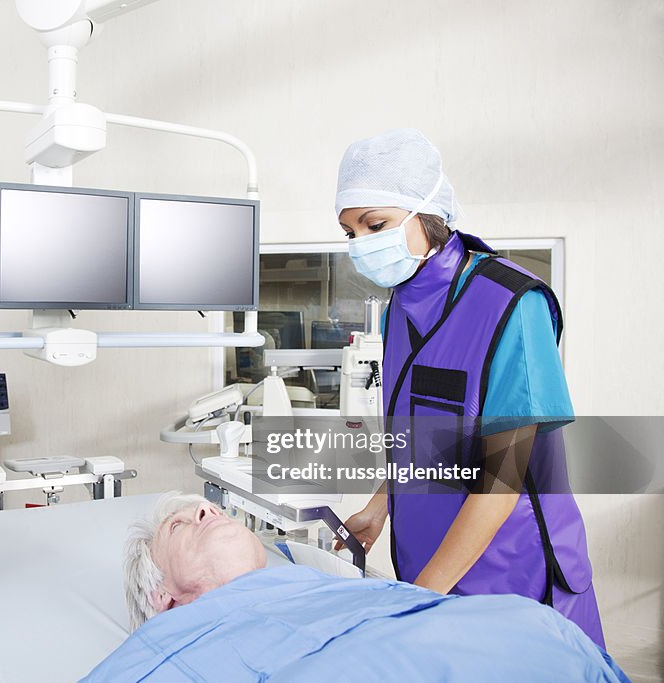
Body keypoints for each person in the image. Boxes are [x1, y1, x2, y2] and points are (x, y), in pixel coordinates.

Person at [332, 128, 603, 646]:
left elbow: (502, 482)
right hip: (428, 567)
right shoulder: (399, 309)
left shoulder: (511, 303)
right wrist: (378, 505)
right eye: (350, 233)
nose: (362, 246)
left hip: (514, 576)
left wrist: (421, 598)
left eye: (376, 225)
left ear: (427, 213)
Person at [86, 493, 627, 682]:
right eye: (180, 525)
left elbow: (501, 459)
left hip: (528, 636)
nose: (206, 507)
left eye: (202, 506)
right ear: (164, 599)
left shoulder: (322, 588)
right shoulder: (162, 645)